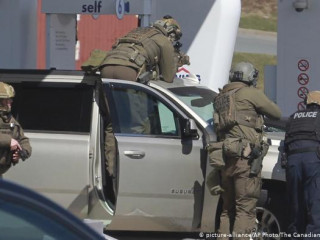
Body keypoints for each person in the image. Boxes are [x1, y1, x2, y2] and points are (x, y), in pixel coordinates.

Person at [82, 15, 189, 178]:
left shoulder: (136, 33)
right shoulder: (163, 40)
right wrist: (175, 60)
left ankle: (111, 172)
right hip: (129, 71)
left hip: (106, 68)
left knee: (113, 122)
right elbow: (168, 77)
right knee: (136, 123)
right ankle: (132, 173)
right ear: (171, 33)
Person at [213, 62, 281, 239]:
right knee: (245, 209)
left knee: (227, 210)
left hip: (224, 158)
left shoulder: (221, 97)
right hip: (245, 158)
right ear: (249, 77)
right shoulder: (250, 93)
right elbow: (276, 113)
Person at [284, 91, 320, 239]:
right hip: (313, 160)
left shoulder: (293, 117)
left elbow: (285, 143)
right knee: (315, 204)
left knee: (296, 204)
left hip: (293, 161)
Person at [0, 82, 32, 175]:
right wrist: (9, 141)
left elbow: (22, 138)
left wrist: (23, 151)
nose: (11, 101)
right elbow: (9, 140)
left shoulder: (9, 119)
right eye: (7, 99)